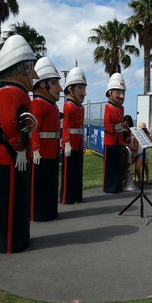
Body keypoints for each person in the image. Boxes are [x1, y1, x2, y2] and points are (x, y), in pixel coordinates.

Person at [0, 35, 38, 253]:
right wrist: (19, 148)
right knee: (11, 198)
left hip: (17, 153)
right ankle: (10, 243)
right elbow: (10, 123)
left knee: (18, 197)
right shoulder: (11, 91)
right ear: (20, 67)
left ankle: (17, 239)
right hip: (11, 155)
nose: (34, 75)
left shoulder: (16, 91)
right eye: (31, 67)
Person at [30, 57, 63, 221]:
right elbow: (34, 128)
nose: (60, 88)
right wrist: (35, 148)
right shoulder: (38, 103)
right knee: (40, 183)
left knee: (50, 182)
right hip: (42, 151)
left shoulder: (52, 105)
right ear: (43, 84)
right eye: (55, 83)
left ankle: (50, 210)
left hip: (52, 150)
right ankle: (39, 212)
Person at [60, 67, 87, 204]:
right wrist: (66, 141)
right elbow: (65, 126)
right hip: (70, 144)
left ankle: (77, 195)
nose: (84, 92)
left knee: (77, 171)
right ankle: (67, 196)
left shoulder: (80, 107)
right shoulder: (68, 106)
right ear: (71, 89)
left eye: (84, 88)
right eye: (80, 88)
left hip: (78, 143)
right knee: (68, 172)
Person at [103, 73, 126, 193]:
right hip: (110, 141)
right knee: (110, 165)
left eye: (123, 92)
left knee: (118, 164)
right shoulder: (108, 107)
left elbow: (119, 124)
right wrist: (116, 128)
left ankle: (117, 185)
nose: (121, 96)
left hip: (118, 140)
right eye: (118, 92)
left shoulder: (121, 109)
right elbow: (107, 125)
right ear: (110, 93)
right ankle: (109, 186)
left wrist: (121, 129)